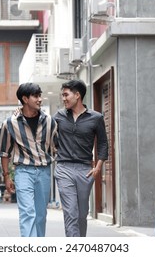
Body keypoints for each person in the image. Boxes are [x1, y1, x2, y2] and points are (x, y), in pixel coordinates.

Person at [0, 82, 58, 237]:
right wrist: (6, 177)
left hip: (44, 171)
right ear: (25, 99)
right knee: (27, 212)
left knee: (40, 215)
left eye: (40, 95)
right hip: (23, 171)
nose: (40, 99)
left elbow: (56, 148)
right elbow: (5, 152)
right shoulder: (10, 123)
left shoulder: (50, 121)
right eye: (36, 96)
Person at [53, 79, 108, 237]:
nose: (63, 99)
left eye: (66, 95)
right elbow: (42, 127)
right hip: (64, 168)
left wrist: (98, 167)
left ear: (77, 95)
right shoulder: (58, 116)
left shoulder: (96, 118)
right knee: (71, 212)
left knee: (81, 214)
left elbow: (103, 143)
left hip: (85, 170)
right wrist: (20, 113)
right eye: (62, 95)